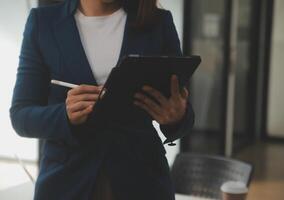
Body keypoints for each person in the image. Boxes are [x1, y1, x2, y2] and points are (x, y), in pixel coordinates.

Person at [10, 0, 195, 199]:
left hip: (142, 181)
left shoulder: (158, 22)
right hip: (67, 183)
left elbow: (182, 110)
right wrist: (65, 115)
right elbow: (21, 116)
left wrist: (177, 117)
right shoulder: (43, 23)